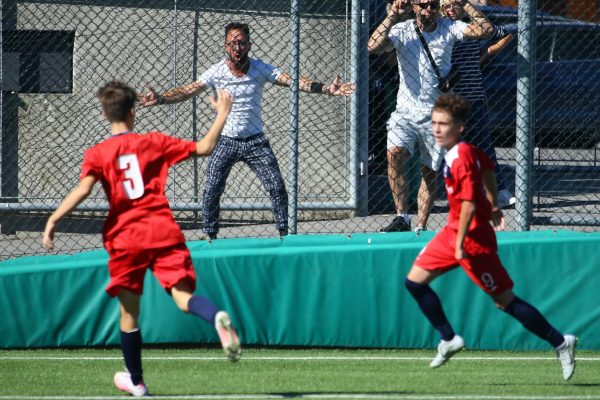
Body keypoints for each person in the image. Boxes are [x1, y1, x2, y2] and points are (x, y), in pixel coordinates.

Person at [42, 81, 241, 397]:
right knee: (182, 297)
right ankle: (214, 315)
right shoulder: (155, 142)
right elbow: (204, 147)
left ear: (105, 113)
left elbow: (84, 189)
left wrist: (54, 218)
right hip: (162, 230)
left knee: (129, 314)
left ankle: (136, 381)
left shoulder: (98, 153)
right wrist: (222, 114)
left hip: (126, 238)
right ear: (133, 111)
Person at [404, 93, 577, 380]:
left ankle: (561, 343)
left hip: (472, 240)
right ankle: (448, 338)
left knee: (504, 301)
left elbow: (470, 203)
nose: (436, 129)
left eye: (443, 124)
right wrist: (494, 203)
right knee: (414, 282)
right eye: (434, 122)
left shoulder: (460, 158)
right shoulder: (465, 151)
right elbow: (489, 170)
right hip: (453, 232)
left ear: (459, 127)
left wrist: (461, 245)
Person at [139, 22, 355, 240]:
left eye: (242, 43)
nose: (237, 47)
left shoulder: (261, 68)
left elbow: (293, 81)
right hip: (226, 141)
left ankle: (285, 235)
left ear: (249, 45)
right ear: (225, 46)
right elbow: (189, 90)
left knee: (277, 186)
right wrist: (161, 99)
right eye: (233, 43)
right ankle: (210, 237)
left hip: (256, 142)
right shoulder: (217, 71)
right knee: (212, 188)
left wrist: (326, 89)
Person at [368, 0, 493, 234]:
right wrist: (393, 14)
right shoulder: (401, 30)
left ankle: (420, 225)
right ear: (414, 7)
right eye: (423, 5)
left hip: (436, 113)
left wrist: (465, 4)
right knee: (394, 154)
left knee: (429, 170)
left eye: (433, 5)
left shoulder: (449, 27)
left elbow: (486, 30)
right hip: (405, 110)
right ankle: (401, 217)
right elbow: (373, 46)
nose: (429, 10)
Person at [441, 0, 515, 208]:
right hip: (449, 98)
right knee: (451, 149)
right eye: (446, 6)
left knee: (483, 146)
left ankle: (499, 191)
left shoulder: (470, 27)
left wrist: (486, 55)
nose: (451, 10)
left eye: (455, 5)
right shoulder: (441, 28)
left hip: (474, 96)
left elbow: (504, 33)